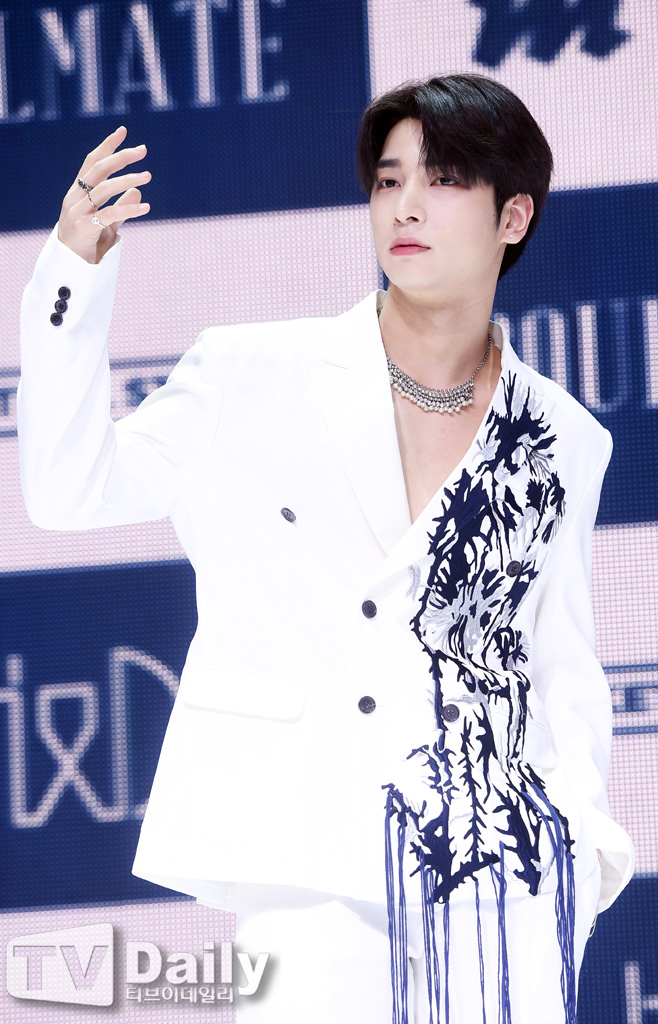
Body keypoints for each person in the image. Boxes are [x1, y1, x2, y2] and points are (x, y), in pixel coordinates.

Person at [18, 74, 634, 1023]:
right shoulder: (251, 373)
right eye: (388, 181)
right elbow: (68, 491)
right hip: (304, 866)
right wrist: (73, 273)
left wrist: (579, 859)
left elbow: (563, 672)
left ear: (514, 216)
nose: (406, 205)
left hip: (499, 887)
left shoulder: (564, 437)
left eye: (444, 178)